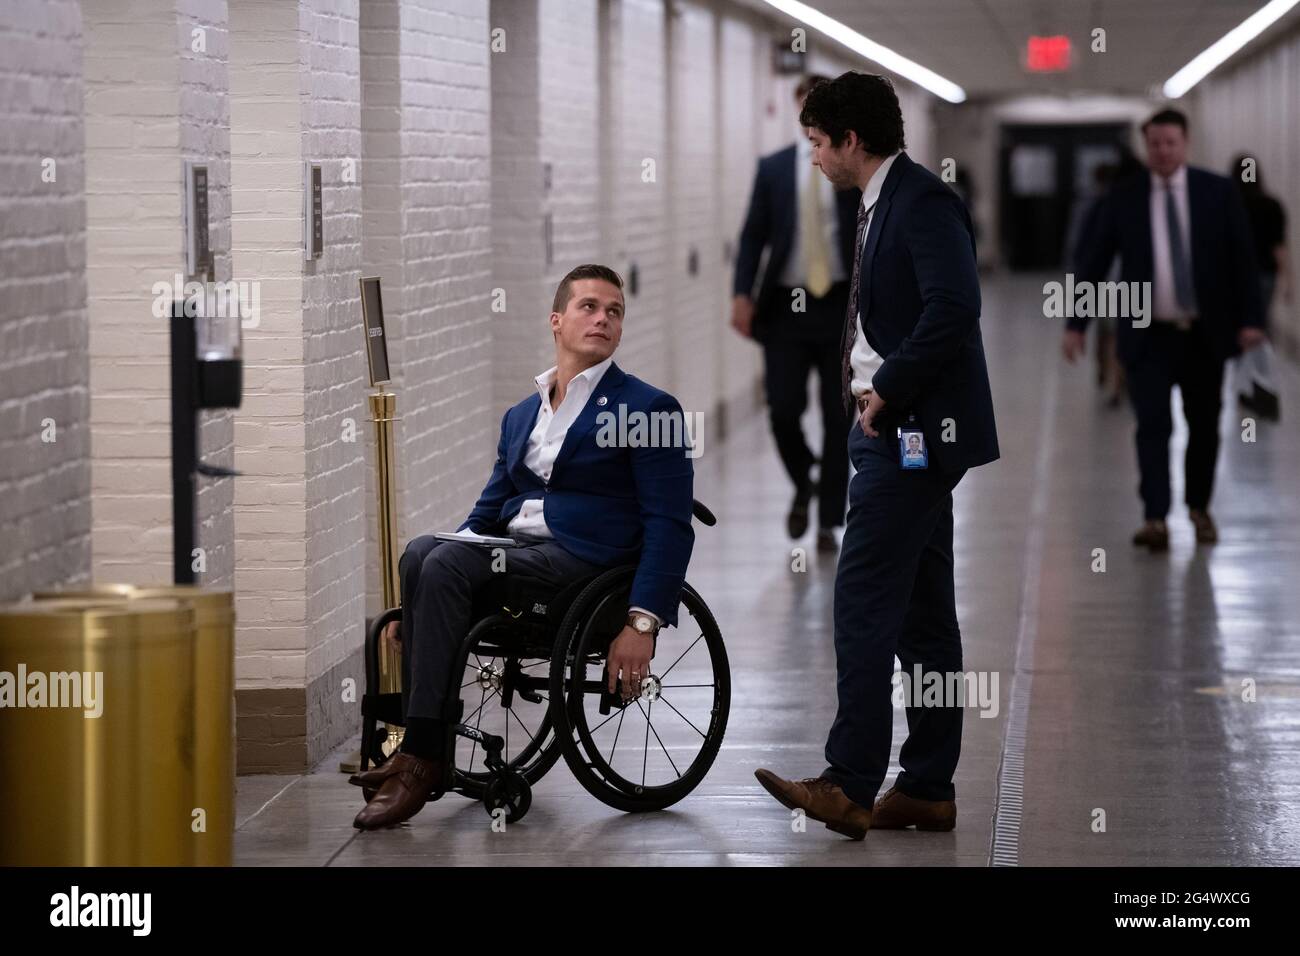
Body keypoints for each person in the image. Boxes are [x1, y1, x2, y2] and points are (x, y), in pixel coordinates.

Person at [351, 264, 696, 830]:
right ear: (556, 321)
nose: (603, 318)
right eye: (589, 306)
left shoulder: (647, 410)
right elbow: (486, 514)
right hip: (518, 557)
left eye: (614, 311)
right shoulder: (520, 416)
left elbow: (670, 522)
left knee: (445, 563)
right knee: (419, 553)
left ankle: (418, 758)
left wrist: (643, 622)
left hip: (585, 567)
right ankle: (421, 751)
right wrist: (422, 599)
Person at [754, 72, 999, 840]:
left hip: (915, 433)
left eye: (820, 144)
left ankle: (849, 782)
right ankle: (926, 786)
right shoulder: (876, 200)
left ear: (851, 140)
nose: (816, 159)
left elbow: (956, 306)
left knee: (861, 602)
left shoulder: (921, 201)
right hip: (894, 430)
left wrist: (886, 389)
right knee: (924, 617)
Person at [1065, 109, 1265, 551]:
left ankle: (1198, 508)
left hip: (1204, 336)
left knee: (1205, 424)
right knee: (1152, 426)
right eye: (1154, 143)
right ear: (1146, 146)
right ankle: (1155, 517)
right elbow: (1093, 261)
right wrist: (1076, 324)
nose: (1162, 151)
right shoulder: (1125, 195)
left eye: (1170, 142)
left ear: (1185, 143)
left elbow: (1243, 261)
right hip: (1148, 336)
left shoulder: (1217, 192)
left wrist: (1252, 319)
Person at [732, 75, 863, 552]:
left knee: (837, 413)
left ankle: (829, 519)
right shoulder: (773, 169)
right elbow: (753, 236)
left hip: (839, 305)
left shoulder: (848, 166)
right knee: (784, 409)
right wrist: (741, 295)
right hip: (785, 307)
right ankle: (804, 479)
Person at [1229, 154, 1290, 420]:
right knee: (1259, 329)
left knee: (1241, 332)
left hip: (1236, 278)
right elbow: (1280, 248)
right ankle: (1260, 387)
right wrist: (1289, 280)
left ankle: (1247, 388)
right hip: (1265, 276)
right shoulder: (1271, 205)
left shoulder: (1230, 205)